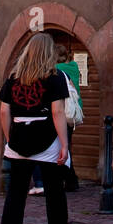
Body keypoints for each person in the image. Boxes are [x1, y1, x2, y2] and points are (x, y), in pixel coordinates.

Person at [0, 31, 72, 224]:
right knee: (54, 190)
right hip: (46, 136)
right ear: (49, 53)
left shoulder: (13, 78)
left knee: (16, 195)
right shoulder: (55, 77)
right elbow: (57, 111)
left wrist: (10, 138)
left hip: (19, 135)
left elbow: (3, 110)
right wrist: (64, 144)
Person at [31, 43, 81, 196]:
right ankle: (71, 180)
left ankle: (54, 182)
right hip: (70, 114)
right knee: (65, 147)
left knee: (53, 149)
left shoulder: (56, 72)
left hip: (59, 113)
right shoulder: (74, 69)